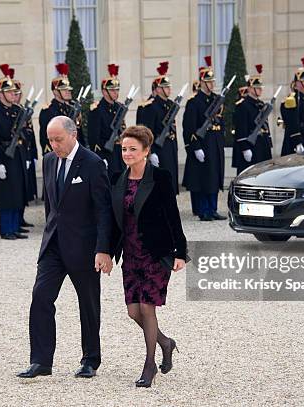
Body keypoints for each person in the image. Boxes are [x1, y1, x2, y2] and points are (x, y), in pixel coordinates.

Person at [18, 116, 112, 379]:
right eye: (50, 140)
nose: (54, 145)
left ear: (73, 134)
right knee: (41, 298)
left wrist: (103, 249)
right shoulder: (48, 161)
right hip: (53, 247)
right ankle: (41, 361)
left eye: (58, 139)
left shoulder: (93, 164)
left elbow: (103, 211)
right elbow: (51, 206)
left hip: (84, 247)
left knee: (88, 304)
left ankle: (90, 360)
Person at [110, 125, 187, 388]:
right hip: (130, 255)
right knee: (133, 312)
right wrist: (107, 252)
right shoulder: (118, 179)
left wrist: (181, 252)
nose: (127, 153)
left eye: (133, 149)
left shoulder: (161, 178)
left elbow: (172, 216)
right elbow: (114, 222)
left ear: (146, 151)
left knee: (146, 307)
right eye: (124, 149)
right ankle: (165, 342)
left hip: (155, 253)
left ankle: (149, 364)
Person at [0, 64, 29, 240]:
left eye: (13, 92)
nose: (13, 94)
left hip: (17, 155)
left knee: (17, 191)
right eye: (9, 92)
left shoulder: (17, 111)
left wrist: (25, 154)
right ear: (0, 94)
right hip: (3, 156)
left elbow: (23, 135)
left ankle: (15, 226)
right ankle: (6, 229)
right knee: (5, 194)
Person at [182, 55, 226, 222]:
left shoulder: (216, 100)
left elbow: (221, 123)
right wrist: (195, 147)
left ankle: (213, 208)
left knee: (214, 176)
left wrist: (221, 140)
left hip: (215, 142)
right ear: (202, 82)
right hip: (203, 144)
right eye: (209, 81)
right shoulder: (194, 102)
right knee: (204, 178)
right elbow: (189, 128)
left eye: (213, 81)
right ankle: (204, 210)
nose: (212, 84)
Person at [136, 61, 179, 194]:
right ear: (158, 89)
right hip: (159, 150)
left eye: (169, 86)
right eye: (165, 87)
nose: (169, 89)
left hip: (170, 146)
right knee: (160, 184)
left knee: (170, 180)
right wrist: (151, 152)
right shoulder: (151, 107)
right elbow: (147, 133)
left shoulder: (170, 104)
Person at [10, 68, 38, 228]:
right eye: (14, 93)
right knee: (16, 188)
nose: (17, 95)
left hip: (24, 152)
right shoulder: (15, 112)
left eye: (18, 93)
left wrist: (32, 154)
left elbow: (29, 134)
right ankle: (15, 221)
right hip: (15, 153)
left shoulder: (22, 111)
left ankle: (20, 218)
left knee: (24, 188)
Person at [232, 64, 273, 175]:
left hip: (262, 144)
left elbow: (265, 125)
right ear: (250, 88)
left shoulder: (261, 104)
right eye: (257, 87)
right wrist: (245, 148)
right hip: (252, 146)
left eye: (260, 87)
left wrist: (269, 142)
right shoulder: (243, 105)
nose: (260, 90)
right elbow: (241, 128)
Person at [88, 63, 126, 178]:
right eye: (112, 90)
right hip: (107, 154)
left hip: (119, 152)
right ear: (104, 92)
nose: (116, 92)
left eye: (117, 90)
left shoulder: (119, 107)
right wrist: (100, 158)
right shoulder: (97, 110)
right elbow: (94, 137)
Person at [39, 63, 86, 155]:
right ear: (55, 91)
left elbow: (79, 132)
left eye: (69, 89)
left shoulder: (72, 107)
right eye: (64, 90)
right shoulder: (48, 111)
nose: (68, 92)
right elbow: (45, 137)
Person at [280, 57, 304, 156]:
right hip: (298, 138)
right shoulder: (293, 99)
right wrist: (297, 140)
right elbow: (292, 121)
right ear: (297, 83)